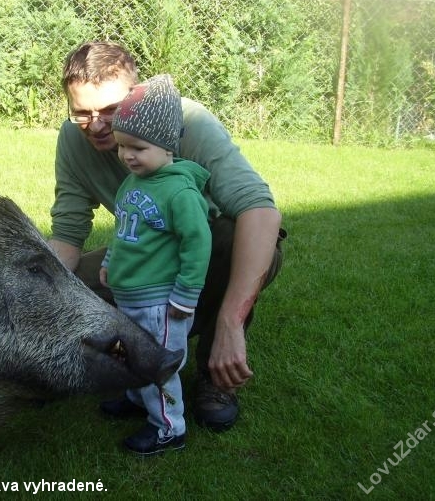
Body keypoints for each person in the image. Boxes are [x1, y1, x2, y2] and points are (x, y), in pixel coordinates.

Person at [49, 41, 286, 432]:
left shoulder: (188, 122)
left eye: (110, 110)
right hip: (143, 249)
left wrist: (229, 322)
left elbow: (261, 212)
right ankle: (134, 368)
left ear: (136, 93)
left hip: (204, 250)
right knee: (64, 289)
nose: (97, 125)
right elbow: (67, 233)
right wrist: (38, 299)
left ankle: (215, 372)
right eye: (82, 113)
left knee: (231, 239)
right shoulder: (73, 139)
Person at [100, 74, 211, 454]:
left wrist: (185, 296)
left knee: (157, 364)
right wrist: (110, 260)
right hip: (130, 296)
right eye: (121, 146)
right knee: (132, 354)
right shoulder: (133, 182)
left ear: (167, 147)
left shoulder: (179, 192)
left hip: (160, 304)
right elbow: (123, 228)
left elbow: (197, 244)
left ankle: (168, 428)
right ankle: (138, 398)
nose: (127, 155)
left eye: (138, 147)